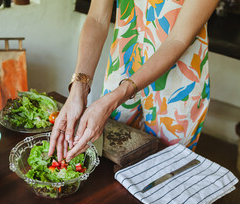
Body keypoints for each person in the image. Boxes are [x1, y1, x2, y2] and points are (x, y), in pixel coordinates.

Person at [48, 0, 218, 162]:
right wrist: (79, 86)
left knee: (163, 170)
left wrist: (117, 97)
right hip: (123, 65)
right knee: (108, 158)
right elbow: (97, 18)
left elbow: (178, 38)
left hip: (177, 82)